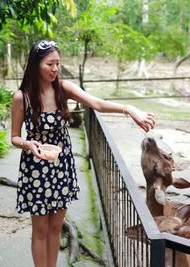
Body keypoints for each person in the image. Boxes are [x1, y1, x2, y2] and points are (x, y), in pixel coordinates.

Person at [11, 40, 156, 267]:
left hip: (62, 166)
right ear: (36, 64)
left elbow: (96, 104)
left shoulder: (63, 88)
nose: (55, 69)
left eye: (58, 63)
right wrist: (27, 144)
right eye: (50, 64)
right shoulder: (22, 97)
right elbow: (14, 137)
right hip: (35, 169)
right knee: (40, 230)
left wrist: (129, 109)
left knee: (56, 228)